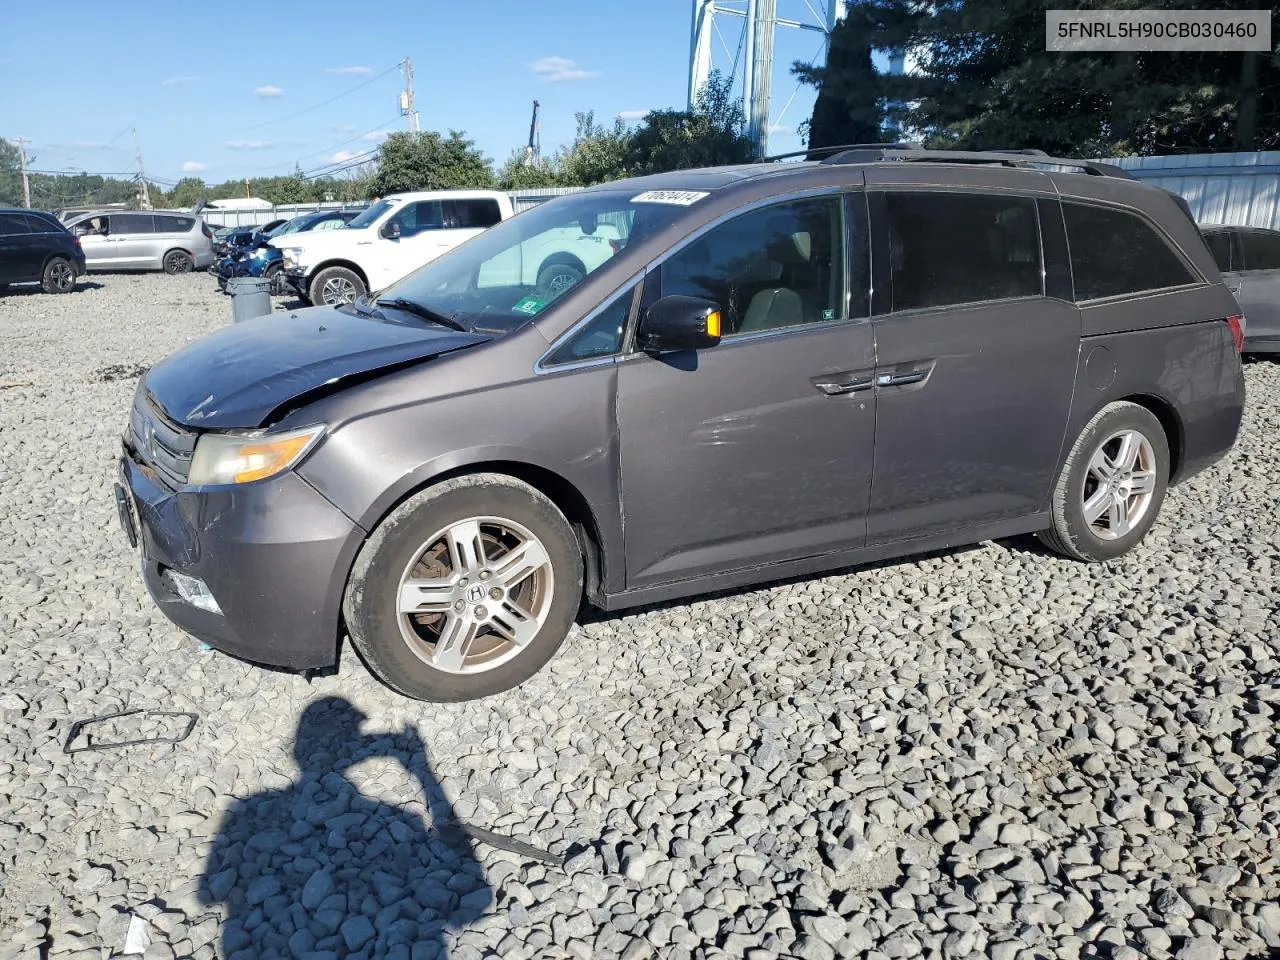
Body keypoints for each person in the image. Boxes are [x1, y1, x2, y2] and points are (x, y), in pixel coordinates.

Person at [198, 696, 491, 958]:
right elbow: (473, 910)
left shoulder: (245, 807)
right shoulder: (401, 817)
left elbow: (206, 894)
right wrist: (423, 771)